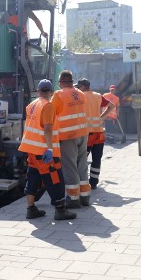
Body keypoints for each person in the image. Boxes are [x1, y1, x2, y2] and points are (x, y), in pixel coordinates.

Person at [18, 79, 76, 220]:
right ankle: (60, 210)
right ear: (51, 91)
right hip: (44, 152)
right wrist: (50, 149)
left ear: (38, 91)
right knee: (55, 179)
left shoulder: (31, 105)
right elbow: (48, 128)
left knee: (33, 178)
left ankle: (31, 209)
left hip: (32, 151)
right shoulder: (48, 106)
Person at [51, 70, 89, 208]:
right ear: (72, 81)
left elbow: (51, 113)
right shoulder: (81, 94)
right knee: (82, 165)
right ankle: (85, 197)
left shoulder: (58, 95)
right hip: (82, 134)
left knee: (70, 167)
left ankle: (73, 199)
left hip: (67, 136)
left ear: (60, 82)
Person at [75, 78, 115, 189]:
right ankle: (93, 183)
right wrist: (101, 117)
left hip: (87, 134)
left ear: (83, 87)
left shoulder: (80, 96)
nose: (78, 89)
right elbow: (112, 106)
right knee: (96, 159)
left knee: (81, 159)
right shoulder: (98, 96)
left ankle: (80, 182)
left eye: (78, 87)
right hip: (99, 133)